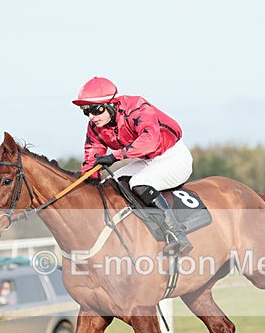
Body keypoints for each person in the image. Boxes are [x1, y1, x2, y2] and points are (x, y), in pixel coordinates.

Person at [73, 76, 193, 256]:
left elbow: (150, 140)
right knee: (108, 185)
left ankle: (177, 234)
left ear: (111, 104)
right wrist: (86, 185)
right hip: (146, 161)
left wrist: (115, 157)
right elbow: (92, 157)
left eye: (96, 110)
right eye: (86, 111)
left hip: (173, 157)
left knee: (138, 183)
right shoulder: (95, 126)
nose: (91, 117)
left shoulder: (137, 108)